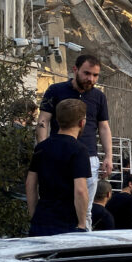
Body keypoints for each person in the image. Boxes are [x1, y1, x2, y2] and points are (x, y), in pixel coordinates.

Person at [37, 54, 112, 231]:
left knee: (86, 211)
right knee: (55, 203)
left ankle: (82, 241)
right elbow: (43, 120)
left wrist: (108, 156)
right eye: (87, 73)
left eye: (95, 75)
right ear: (75, 70)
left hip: (88, 157)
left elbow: (104, 127)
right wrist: (43, 149)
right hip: (59, 155)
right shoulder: (55, 90)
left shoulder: (99, 97)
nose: (90, 79)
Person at [26, 99, 91, 236]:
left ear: (57, 120)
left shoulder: (41, 147)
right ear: (82, 122)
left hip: (41, 219)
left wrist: (33, 215)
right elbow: (80, 190)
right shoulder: (79, 150)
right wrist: (81, 224)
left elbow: (30, 184)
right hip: (67, 223)